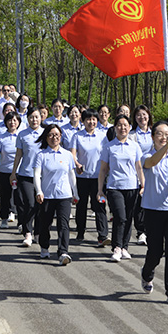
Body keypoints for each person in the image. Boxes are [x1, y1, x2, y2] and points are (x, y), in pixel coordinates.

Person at [140, 120, 168, 305]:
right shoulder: (146, 155)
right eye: (160, 134)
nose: (164, 137)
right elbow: (152, 162)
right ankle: (146, 274)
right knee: (155, 251)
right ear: (152, 137)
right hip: (153, 209)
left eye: (167, 134)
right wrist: (167, 147)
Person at [98, 114, 144, 262]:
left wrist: (143, 184)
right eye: (119, 125)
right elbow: (103, 170)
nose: (122, 128)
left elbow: (139, 167)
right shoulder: (109, 147)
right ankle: (117, 247)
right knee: (120, 216)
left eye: (125, 125)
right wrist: (100, 189)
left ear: (129, 127)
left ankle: (124, 247)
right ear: (115, 127)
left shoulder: (134, 146)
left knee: (128, 218)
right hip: (114, 186)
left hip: (132, 186)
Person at [34, 123, 78, 265]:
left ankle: (63, 252)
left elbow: (71, 174)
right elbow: (37, 175)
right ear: (46, 137)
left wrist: (75, 193)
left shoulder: (67, 155)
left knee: (63, 224)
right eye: (51, 135)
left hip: (64, 195)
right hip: (47, 195)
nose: (54, 138)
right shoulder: (41, 155)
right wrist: (39, 191)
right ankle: (44, 247)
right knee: (45, 223)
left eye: (57, 135)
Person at [70, 108, 109, 245]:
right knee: (81, 206)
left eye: (94, 119)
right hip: (82, 176)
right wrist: (77, 164)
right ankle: (80, 231)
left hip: (98, 177)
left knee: (99, 205)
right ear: (83, 121)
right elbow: (72, 154)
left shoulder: (102, 136)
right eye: (88, 119)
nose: (91, 122)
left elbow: (106, 154)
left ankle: (102, 235)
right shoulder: (77, 136)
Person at [11, 107, 44, 247]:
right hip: (26, 174)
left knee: (40, 206)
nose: (34, 120)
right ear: (27, 119)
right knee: (29, 204)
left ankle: (38, 232)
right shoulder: (22, 134)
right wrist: (13, 172)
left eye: (36, 117)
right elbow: (19, 154)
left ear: (41, 118)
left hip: (43, 176)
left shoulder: (46, 133)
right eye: (31, 117)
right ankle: (28, 232)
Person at [0, 112, 22, 229]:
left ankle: (20, 221)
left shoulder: (21, 136)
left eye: (14, 120)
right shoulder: (1, 137)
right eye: (9, 120)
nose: (12, 123)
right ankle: (4, 218)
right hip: (4, 171)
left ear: (18, 122)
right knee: (5, 196)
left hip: (20, 171)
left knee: (19, 197)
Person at [131, 105, 153, 246]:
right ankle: (141, 232)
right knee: (139, 204)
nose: (142, 117)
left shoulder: (154, 133)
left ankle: (151, 229)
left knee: (151, 203)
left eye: (144, 114)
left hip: (152, 173)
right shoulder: (132, 135)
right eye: (138, 115)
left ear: (149, 116)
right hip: (137, 173)